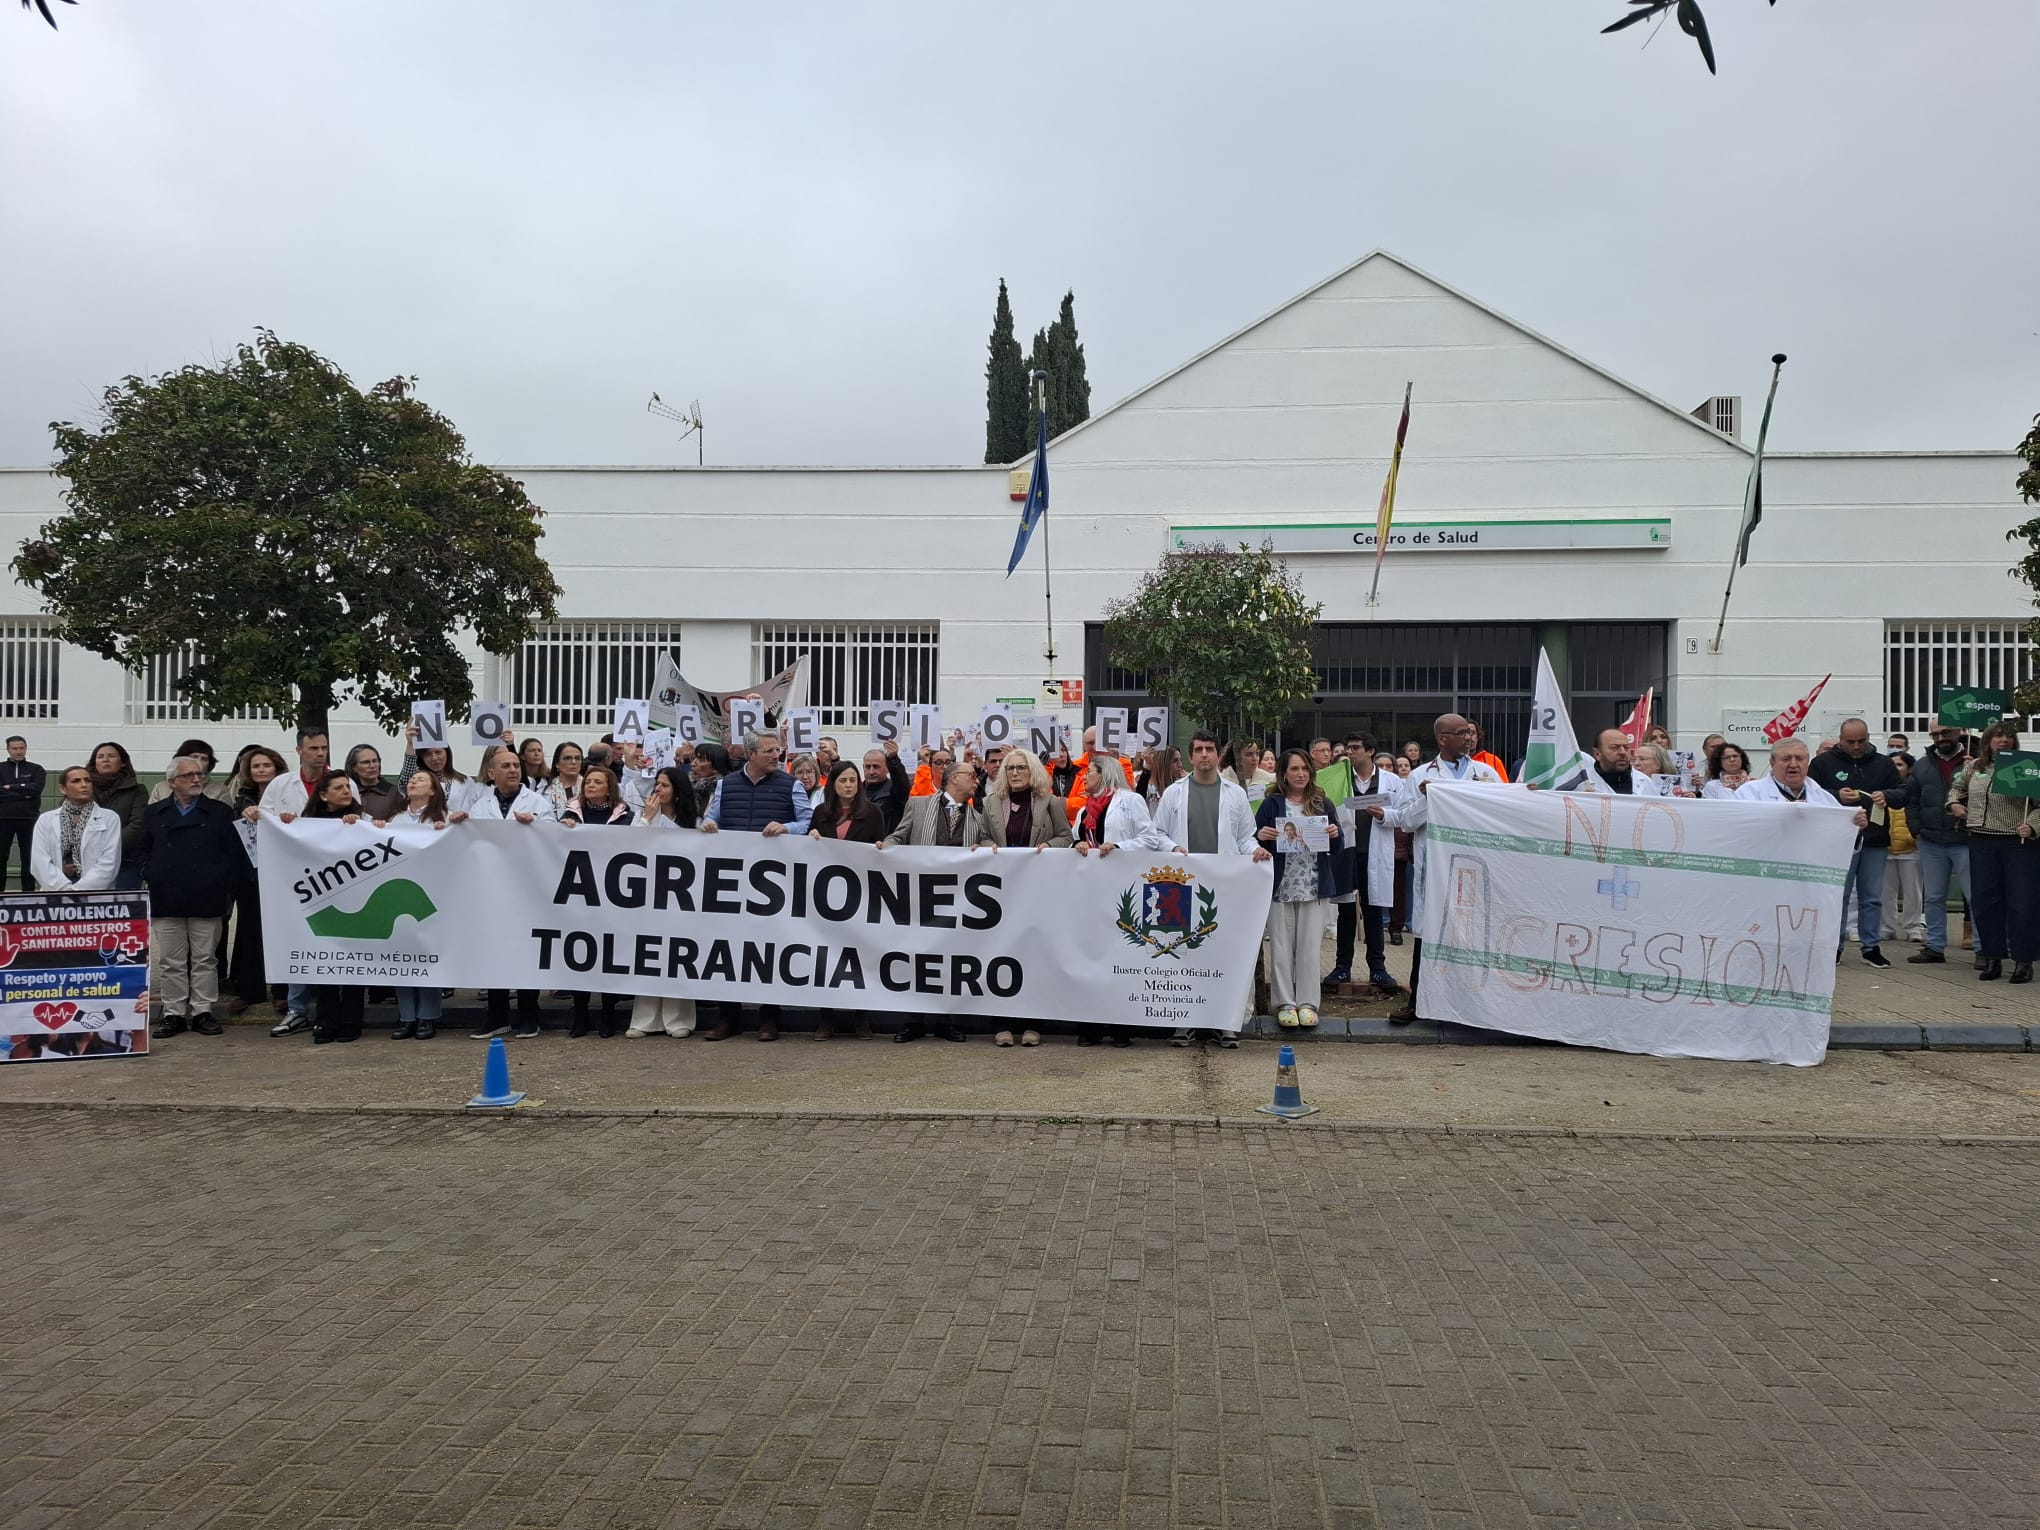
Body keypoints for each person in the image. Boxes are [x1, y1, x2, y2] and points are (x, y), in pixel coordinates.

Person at [1382, 714, 1505, 1024]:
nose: (1468, 738)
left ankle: (1475, 1007)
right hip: (1436, 868)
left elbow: (1503, 812)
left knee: (1472, 934)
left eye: (1470, 733)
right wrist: (1426, 797)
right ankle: (1418, 1003)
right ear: (1442, 739)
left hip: (1477, 864)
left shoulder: (1486, 773)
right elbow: (1407, 821)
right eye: (1460, 733)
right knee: (1428, 933)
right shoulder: (1421, 775)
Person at [1153, 731, 1271, 1046]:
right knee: (1183, 952)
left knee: (1224, 953)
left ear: (1218, 755)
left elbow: (1246, 836)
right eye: (1199, 750)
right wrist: (1173, 847)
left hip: (1224, 885)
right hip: (1182, 885)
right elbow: (1158, 833)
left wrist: (1255, 851)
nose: (1205, 755)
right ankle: (1184, 1021)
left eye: (1210, 749)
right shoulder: (1174, 793)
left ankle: (1225, 1021)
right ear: (1191, 757)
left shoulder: (1234, 794)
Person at [698, 729, 810, 1040]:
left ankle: (769, 1017)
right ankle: (728, 1017)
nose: (777, 755)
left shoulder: (792, 785)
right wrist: (707, 825)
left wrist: (787, 827)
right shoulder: (726, 785)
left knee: (769, 949)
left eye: (778, 750)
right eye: (769, 751)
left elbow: (808, 823)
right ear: (751, 755)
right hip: (732, 880)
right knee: (729, 947)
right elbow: (710, 819)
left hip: (773, 883)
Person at [139, 755, 245, 1038]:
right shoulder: (154, 813)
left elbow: (232, 853)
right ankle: (173, 1013)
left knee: (204, 958)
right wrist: (152, 872)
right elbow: (143, 850)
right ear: (173, 781)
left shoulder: (220, 812)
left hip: (207, 895)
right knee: (171, 961)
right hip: (166, 895)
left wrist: (217, 877)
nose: (197, 779)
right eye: (188, 776)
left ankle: (202, 1011)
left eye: (199, 774)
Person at [458, 744, 556, 1040]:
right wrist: (458, 826)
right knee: (494, 953)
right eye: (506, 766)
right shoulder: (479, 806)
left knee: (525, 951)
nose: (513, 770)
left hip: (526, 889)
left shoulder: (537, 801)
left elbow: (555, 838)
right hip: (491, 891)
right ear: (491, 774)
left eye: (516, 765)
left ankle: (529, 1014)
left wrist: (536, 825)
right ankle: (497, 1015)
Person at [1069, 755, 1167, 1046]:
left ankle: (1121, 1025)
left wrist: (1121, 845)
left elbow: (1150, 838)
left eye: (1090, 772)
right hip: (1091, 891)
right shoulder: (1085, 809)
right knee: (1090, 957)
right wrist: (1078, 844)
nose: (1084, 777)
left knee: (1120, 956)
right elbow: (1074, 839)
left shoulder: (1130, 800)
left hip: (1123, 889)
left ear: (1105, 773)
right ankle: (1091, 1025)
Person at [1809, 718, 1909, 968]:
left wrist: (1886, 795)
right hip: (1837, 841)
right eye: (1850, 742)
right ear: (1840, 740)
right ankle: (1835, 946)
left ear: (1868, 737)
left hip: (1874, 838)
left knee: (1872, 896)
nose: (1856, 746)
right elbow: (1810, 793)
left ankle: (1871, 947)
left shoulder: (1883, 763)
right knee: (1838, 896)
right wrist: (1835, 795)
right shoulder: (1822, 763)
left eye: (1861, 741)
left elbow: (1903, 793)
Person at [1254, 748, 1340, 1029]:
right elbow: (1254, 842)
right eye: (1294, 769)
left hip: (1313, 886)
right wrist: (1261, 836)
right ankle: (1285, 1003)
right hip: (1281, 885)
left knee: (1309, 949)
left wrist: (1335, 835)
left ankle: (1307, 1003)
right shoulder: (1272, 804)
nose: (1300, 774)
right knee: (1280, 947)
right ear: (1283, 773)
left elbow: (1336, 848)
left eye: (1304, 768)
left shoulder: (1322, 803)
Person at [1949, 721, 2037, 983]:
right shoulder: (1974, 768)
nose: (2004, 740)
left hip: (2017, 843)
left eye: (2009, 737)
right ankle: (1992, 957)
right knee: (1986, 902)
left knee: (2022, 903)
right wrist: (1954, 804)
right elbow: (1956, 788)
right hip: (1981, 840)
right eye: (1998, 736)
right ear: (1987, 741)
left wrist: (2032, 825)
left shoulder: (2027, 768)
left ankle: (2023, 960)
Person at [624, 766, 703, 1040]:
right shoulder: (645, 816)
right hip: (648, 897)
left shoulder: (693, 820)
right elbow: (629, 848)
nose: (658, 789)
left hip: (681, 899)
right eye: (657, 784)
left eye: (665, 785)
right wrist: (646, 819)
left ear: (677, 790)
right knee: (647, 956)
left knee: (677, 957)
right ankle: (645, 1019)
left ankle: (676, 1017)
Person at [557, 762, 632, 1036]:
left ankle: (608, 1012)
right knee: (579, 954)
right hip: (579, 893)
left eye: (597, 782)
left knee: (609, 954)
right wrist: (563, 829)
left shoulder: (625, 815)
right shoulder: (570, 813)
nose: (590, 786)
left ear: (609, 787)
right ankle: (580, 1012)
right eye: (588, 782)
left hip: (612, 893)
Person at [376, 770, 451, 1039]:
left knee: (427, 954)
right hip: (400, 890)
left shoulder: (444, 817)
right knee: (403, 956)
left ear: (433, 790)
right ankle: (407, 1016)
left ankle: (427, 1017)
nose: (412, 782)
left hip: (430, 894)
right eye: (411, 780)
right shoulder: (396, 818)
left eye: (420, 780)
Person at [223, 748, 287, 1017]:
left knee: (282, 933)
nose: (261, 770)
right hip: (250, 874)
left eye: (266, 765)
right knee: (249, 932)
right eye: (256, 766)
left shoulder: (288, 793)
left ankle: (282, 992)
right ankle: (250, 990)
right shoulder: (242, 797)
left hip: (283, 874)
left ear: (276, 768)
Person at [1906, 719, 1972, 966]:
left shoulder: (1975, 761)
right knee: (1933, 897)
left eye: (1945, 732)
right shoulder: (1923, 765)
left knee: (1974, 896)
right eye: (1934, 734)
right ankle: (1934, 946)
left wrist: (1976, 771)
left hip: (1965, 839)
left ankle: (1983, 947)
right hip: (1931, 839)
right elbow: (1912, 798)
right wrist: (1916, 829)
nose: (1940, 738)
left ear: (1959, 731)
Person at [30, 765, 122, 890]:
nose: (84, 785)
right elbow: (39, 860)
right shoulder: (46, 820)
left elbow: (110, 861)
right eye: (76, 781)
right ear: (63, 789)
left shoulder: (109, 818)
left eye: (87, 780)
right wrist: (64, 889)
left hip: (95, 893)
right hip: (56, 891)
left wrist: (79, 891)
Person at [87, 741, 149, 890]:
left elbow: (137, 824)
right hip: (88, 861)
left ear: (122, 762)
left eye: (111, 756)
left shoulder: (137, 790)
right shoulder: (83, 789)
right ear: (94, 763)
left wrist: (108, 846)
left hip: (125, 862)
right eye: (100, 756)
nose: (105, 759)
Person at [259, 728, 356, 820]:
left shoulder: (347, 784)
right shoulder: (279, 784)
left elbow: (358, 816)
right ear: (299, 750)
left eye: (324, 748)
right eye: (314, 748)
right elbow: (262, 817)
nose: (320, 753)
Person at [1881, 754, 1926, 947]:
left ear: (1909, 767)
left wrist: (1913, 834)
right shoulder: (1882, 787)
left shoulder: (1913, 788)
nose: (1896, 768)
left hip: (1910, 848)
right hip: (1886, 847)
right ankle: (1886, 927)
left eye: (1899, 764)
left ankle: (1913, 927)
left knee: (1913, 891)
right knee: (1885, 892)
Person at [1063, 725, 1134, 828]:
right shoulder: (1075, 766)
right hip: (1080, 825)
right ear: (1084, 746)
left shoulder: (1122, 763)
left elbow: (1127, 795)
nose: (1095, 747)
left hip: (1115, 822)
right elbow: (1071, 805)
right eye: (1090, 743)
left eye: (1099, 742)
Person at [0, 735, 46, 891]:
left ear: (26, 748)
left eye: (21, 748)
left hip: (29, 819)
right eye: (15, 748)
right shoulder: (0, 768)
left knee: (29, 858)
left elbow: (36, 789)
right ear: (8, 750)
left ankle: (29, 893)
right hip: (3, 819)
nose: (18, 751)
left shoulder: (36, 769)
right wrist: (24, 791)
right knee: (1, 857)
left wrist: (10, 788)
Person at [400, 720, 473, 813]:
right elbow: (407, 774)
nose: (434, 758)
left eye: (438, 752)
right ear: (422, 758)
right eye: (428, 754)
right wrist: (411, 744)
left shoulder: (465, 781)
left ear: (447, 753)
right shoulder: (417, 779)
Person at [1570, 728, 1669, 796]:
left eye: (1626, 747)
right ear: (1597, 754)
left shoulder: (1646, 782)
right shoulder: (1579, 783)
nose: (1622, 752)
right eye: (1614, 748)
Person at [145, 739, 235, 805]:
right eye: (194, 757)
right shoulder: (161, 788)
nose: (198, 762)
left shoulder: (220, 790)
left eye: (204, 759)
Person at [860, 743, 912, 836]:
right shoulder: (856, 791)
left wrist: (893, 759)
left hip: (886, 845)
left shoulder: (895, 791)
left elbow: (901, 782)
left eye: (876, 767)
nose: (871, 772)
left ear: (887, 768)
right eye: (867, 767)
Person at [343, 743, 406, 820]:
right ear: (354, 767)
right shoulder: (348, 793)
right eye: (366, 762)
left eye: (375, 761)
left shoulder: (395, 793)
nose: (372, 766)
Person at [1136, 746, 1183, 814]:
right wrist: (1147, 766)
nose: (1180, 765)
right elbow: (1139, 799)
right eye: (1175, 761)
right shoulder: (1148, 788)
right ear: (1163, 763)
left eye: (1180, 760)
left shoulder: (1181, 786)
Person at [545, 740, 585, 817]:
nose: (573, 762)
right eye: (567, 758)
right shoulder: (545, 792)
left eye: (577, 758)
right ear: (557, 764)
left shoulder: (589, 788)